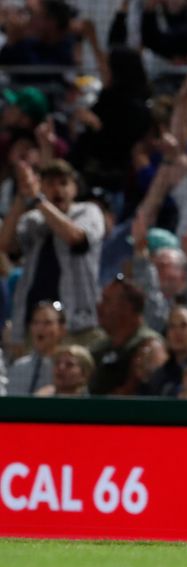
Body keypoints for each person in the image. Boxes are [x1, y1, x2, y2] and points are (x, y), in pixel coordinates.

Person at [0, 160, 105, 349]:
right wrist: (22, 196)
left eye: (63, 183)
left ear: (74, 188)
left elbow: (75, 237)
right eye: (50, 184)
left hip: (77, 324)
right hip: (35, 323)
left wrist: (39, 200)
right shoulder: (33, 219)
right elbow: (5, 245)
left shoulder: (88, 212)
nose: (57, 190)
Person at [7, 300, 65, 395]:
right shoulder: (18, 368)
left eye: (47, 323)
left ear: (62, 329)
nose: (40, 328)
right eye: (35, 322)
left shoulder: (68, 369)